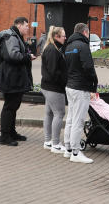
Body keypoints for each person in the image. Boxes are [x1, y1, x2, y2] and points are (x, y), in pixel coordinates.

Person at [0, 16, 33, 146]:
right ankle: (4, 136)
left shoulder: (15, 36)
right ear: (19, 25)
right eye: (26, 26)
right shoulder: (12, 37)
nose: (28, 28)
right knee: (10, 106)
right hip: (10, 77)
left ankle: (11, 132)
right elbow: (12, 55)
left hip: (12, 76)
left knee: (13, 106)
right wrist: (27, 57)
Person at [63, 22, 97, 163]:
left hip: (70, 86)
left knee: (71, 118)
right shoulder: (83, 46)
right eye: (88, 33)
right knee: (78, 120)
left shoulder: (69, 46)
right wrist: (94, 83)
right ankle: (76, 153)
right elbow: (88, 67)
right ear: (85, 32)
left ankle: (68, 148)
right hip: (80, 87)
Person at [40, 25, 67, 153]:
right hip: (54, 88)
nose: (65, 38)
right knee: (59, 113)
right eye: (63, 36)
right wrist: (64, 80)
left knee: (50, 113)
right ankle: (55, 144)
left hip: (48, 86)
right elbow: (53, 71)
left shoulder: (52, 48)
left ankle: (48, 141)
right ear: (56, 37)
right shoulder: (52, 50)